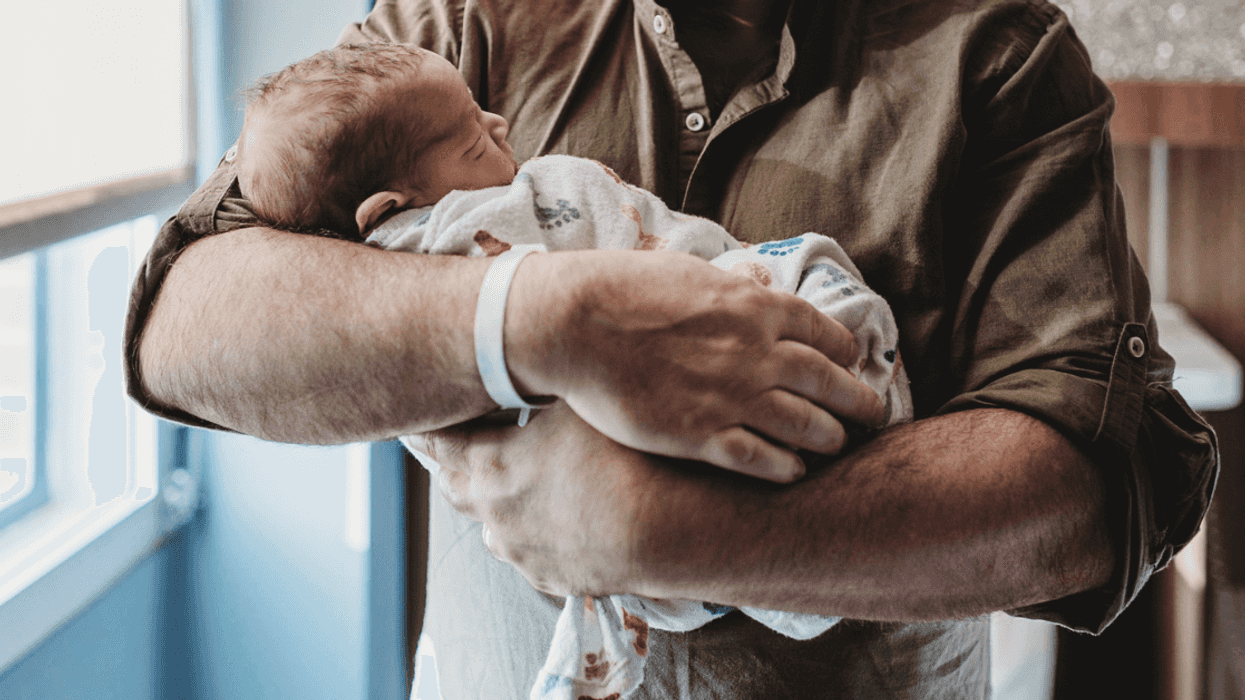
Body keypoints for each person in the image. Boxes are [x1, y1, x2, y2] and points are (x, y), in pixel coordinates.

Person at [125, 0, 1219, 697]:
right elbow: (185, 317)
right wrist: (555, 319)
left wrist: (668, 530)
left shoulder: (1001, 57)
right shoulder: (455, 29)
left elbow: (1101, 481)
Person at [237, 42, 912, 699]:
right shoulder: (433, 234)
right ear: (387, 212)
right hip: (549, 584)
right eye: (473, 142)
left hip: (858, 647)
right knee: (809, 293)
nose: (499, 126)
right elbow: (210, 309)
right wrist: (559, 321)